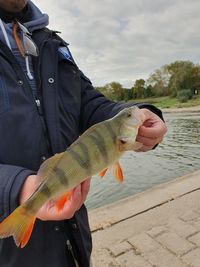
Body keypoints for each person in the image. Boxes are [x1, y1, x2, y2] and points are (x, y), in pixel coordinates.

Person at [0, 1, 167, 266]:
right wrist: (15, 188)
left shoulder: (52, 43)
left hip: (73, 240)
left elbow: (89, 102)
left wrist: (141, 113)